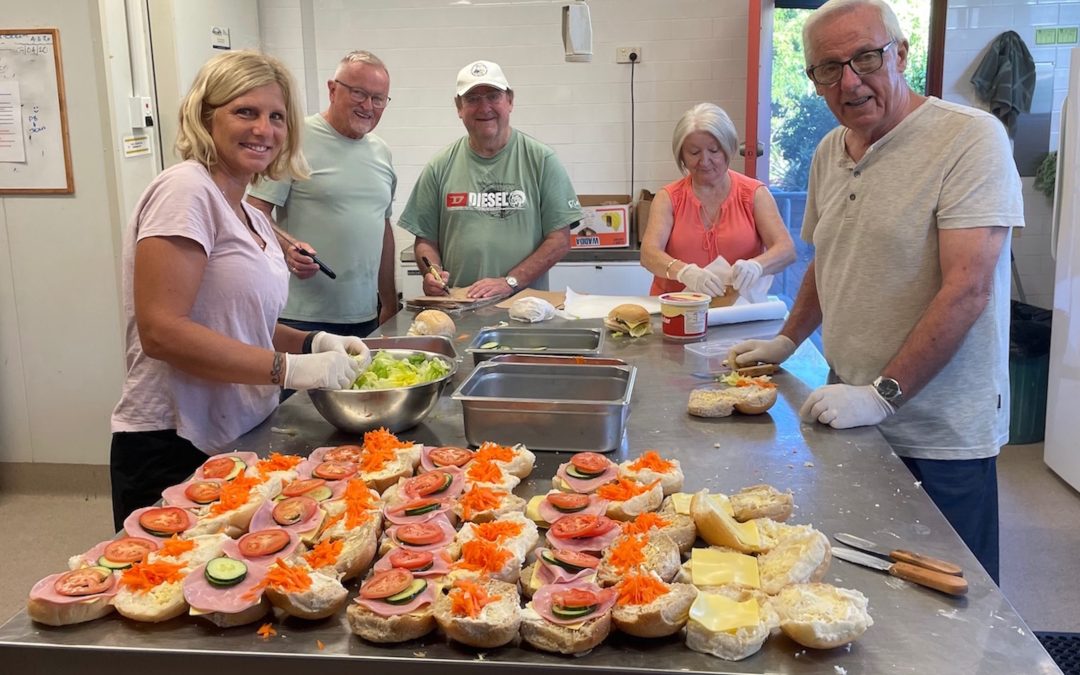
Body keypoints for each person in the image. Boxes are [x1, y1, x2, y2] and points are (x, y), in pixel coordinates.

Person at [730, 0, 1023, 582]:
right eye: (828, 68)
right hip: (850, 420)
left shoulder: (969, 140)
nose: (850, 81)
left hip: (938, 432)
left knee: (948, 601)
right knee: (863, 589)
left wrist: (883, 393)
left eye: (865, 57)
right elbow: (826, 258)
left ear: (902, 54)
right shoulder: (827, 152)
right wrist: (788, 341)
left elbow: (968, 289)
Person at [110, 51, 370, 530]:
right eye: (244, 112)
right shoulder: (185, 191)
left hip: (232, 432)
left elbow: (239, 321)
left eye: (276, 117)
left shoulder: (249, 212)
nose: (263, 130)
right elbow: (162, 332)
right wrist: (290, 369)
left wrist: (312, 343)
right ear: (206, 116)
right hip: (173, 440)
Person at [398, 60, 582, 298]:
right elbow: (425, 240)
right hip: (459, 308)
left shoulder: (542, 160)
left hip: (524, 310)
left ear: (510, 100)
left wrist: (510, 281)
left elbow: (559, 239)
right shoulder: (439, 166)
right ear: (459, 107)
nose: (484, 107)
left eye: (493, 96)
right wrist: (431, 273)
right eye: (472, 99)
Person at [246, 50, 398, 337]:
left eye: (378, 99)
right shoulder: (294, 139)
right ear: (332, 89)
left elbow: (382, 229)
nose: (368, 105)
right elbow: (254, 212)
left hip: (366, 317)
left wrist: (389, 303)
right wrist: (287, 247)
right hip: (301, 320)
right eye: (358, 93)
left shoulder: (381, 152)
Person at [641, 103, 795, 297]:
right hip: (677, 310)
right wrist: (683, 272)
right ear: (681, 156)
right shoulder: (669, 198)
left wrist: (757, 266)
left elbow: (786, 249)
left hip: (737, 310)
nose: (704, 161)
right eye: (694, 152)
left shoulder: (754, 193)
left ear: (728, 148)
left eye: (714, 151)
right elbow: (648, 254)